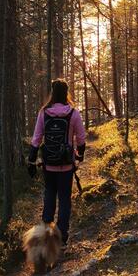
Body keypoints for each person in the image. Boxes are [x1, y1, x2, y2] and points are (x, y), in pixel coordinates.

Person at [27, 79, 86, 247]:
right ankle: (62, 237)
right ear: (67, 93)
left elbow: (36, 138)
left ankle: (46, 232)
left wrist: (31, 161)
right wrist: (79, 156)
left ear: (52, 93)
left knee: (49, 195)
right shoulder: (73, 113)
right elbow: (81, 139)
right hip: (66, 165)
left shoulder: (44, 112)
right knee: (65, 199)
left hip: (49, 164)